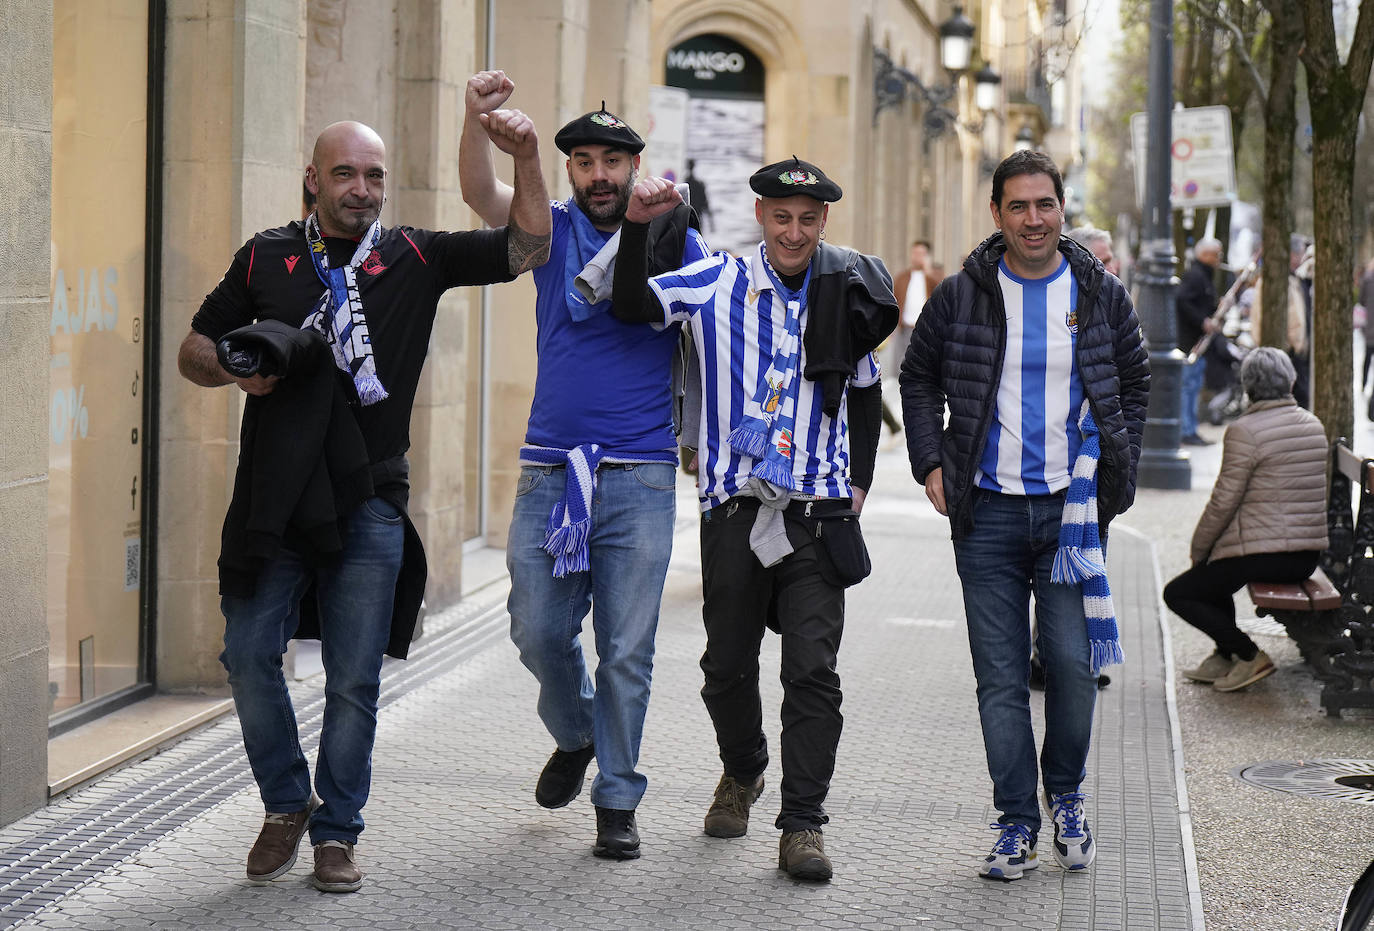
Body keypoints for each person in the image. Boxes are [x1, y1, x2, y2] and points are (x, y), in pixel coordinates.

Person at [177, 118, 550, 892]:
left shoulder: (414, 254)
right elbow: (194, 347)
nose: (361, 189)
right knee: (246, 653)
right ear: (313, 179)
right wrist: (237, 369)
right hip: (276, 496)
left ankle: (337, 832)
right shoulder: (266, 256)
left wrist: (525, 158)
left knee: (354, 679)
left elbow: (527, 247)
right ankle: (288, 802)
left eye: (374, 175)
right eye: (345, 173)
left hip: (371, 496)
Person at [611, 158, 897, 882]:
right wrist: (638, 228)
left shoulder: (845, 289)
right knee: (725, 666)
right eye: (782, 217)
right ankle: (743, 769)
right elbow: (632, 305)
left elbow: (866, 391)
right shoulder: (716, 282)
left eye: (807, 220)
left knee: (812, 672)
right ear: (760, 216)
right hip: (735, 508)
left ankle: (803, 824)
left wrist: (859, 482)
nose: (794, 233)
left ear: (823, 222)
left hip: (818, 513)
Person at [459, 72, 710, 862]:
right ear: (569, 169)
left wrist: (713, 442)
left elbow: (710, 327)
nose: (599, 175)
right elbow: (480, 192)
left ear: (636, 166)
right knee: (535, 628)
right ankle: (577, 733)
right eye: (585, 162)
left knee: (627, 648)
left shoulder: (673, 233)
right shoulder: (549, 227)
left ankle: (618, 797)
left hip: (642, 474)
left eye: (612, 161)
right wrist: (474, 119)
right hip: (550, 469)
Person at [900, 150, 1149, 881]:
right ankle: (1016, 821)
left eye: (1045, 204)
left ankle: (1065, 793)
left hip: (1073, 517)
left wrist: (1115, 473)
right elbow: (918, 377)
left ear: (1062, 209)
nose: (1033, 219)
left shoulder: (1098, 291)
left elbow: (1135, 382)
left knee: (1071, 665)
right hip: (987, 517)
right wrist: (930, 462)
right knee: (1000, 679)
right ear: (997, 213)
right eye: (1018, 206)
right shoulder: (963, 294)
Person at [1164, 347, 1327, 692]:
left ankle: (1249, 654)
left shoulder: (1246, 430)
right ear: (1290, 381)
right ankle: (1226, 655)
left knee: (1179, 593)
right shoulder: (1313, 425)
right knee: (1215, 569)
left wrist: (1198, 549)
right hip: (1306, 556)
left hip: (1268, 555)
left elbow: (1223, 501)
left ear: (1248, 386)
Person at [1176, 237, 1223, 446]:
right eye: (1217, 254)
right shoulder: (1195, 276)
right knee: (1189, 387)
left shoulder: (1202, 276)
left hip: (1197, 344)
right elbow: (1182, 300)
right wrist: (1202, 321)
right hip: (1190, 343)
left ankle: (1190, 428)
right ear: (1205, 255)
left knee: (1192, 386)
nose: (1219, 258)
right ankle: (1187, 430)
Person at [684, 158, 713, 233]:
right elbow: (705, 203)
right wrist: (711, 221)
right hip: (697, 218)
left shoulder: (683, 184)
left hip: (685, 218)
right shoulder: (699, 184)